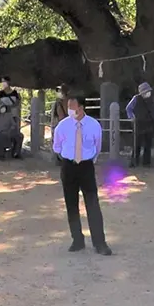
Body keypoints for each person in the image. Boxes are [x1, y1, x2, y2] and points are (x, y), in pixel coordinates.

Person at [52, 95, 111, 254]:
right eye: (68, 106)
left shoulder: (93, 125)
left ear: (81, 107)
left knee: (92, 203)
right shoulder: (62, 126)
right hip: (68, 166)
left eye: (73, 107)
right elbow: (57, 147)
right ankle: (77, 239)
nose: (70, 110)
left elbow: (97, 147)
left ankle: (100, 243)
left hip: (86, 166)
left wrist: (89, 158)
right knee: (71, 204)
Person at [125, 82, 154, 167]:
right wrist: (132, 117)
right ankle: (134, 162)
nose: (148, 93)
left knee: (148, 145)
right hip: (139, 124)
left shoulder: (151, 99)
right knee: (137, 144)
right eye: (146, 91)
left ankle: (146, 163)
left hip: (149, 123)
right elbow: (129, 108)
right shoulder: (136, 98)